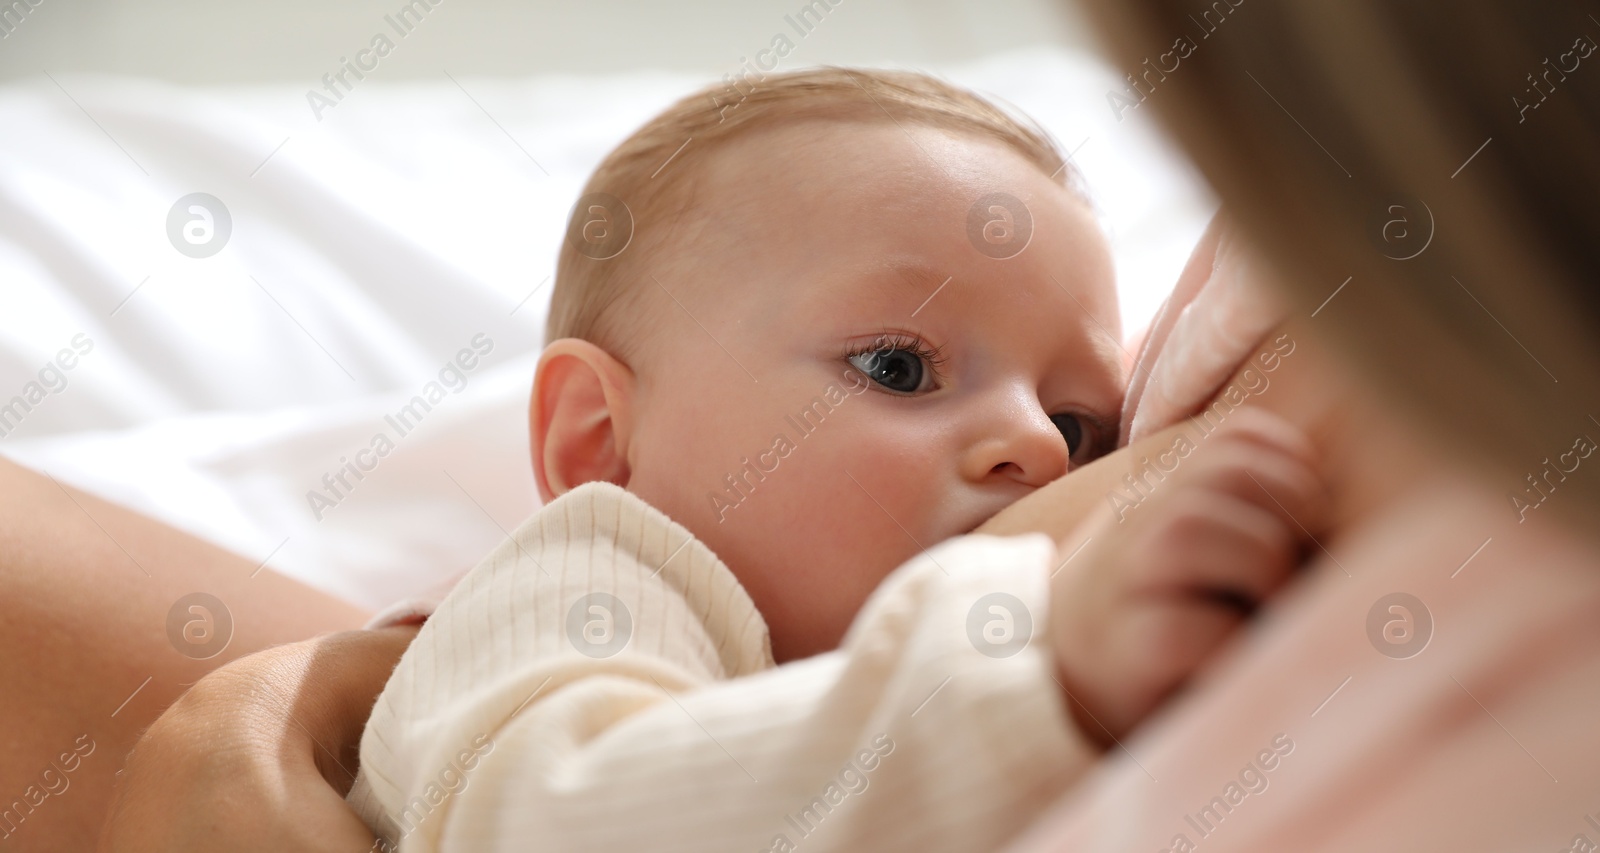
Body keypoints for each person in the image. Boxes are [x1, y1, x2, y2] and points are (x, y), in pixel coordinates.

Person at [337, 68, 1322, 852]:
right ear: (598, 441)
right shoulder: (578, 584)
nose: (1033, 445)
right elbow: (549, 826)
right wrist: (1041, 693)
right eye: (899, 366)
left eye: (1074, 427)